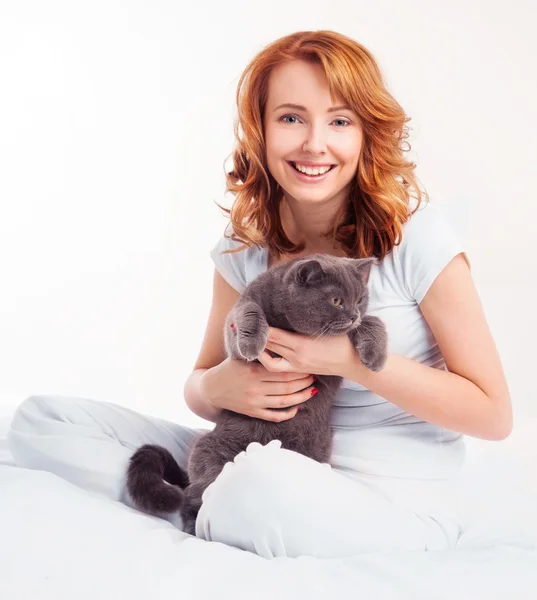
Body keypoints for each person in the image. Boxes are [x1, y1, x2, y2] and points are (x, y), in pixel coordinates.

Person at [7, 30, 513, 559]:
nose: (314, 143)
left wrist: (349, 361)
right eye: (291, 118)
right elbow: (199, 385)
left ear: (366, 133)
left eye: (339, 121)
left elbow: (494, 415)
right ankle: (205, 504)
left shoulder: (415, 237)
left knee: (258, 489)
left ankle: (207, 510)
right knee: (40, 420)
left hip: (385, 496)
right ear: (262, 130)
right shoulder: (243, 248)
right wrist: (223, 386)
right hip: (245, 454)